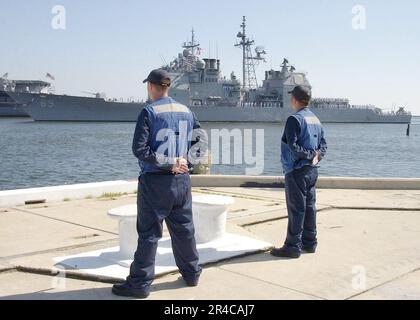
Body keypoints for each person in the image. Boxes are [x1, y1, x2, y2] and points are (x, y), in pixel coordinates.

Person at [112, 69, 203, 298]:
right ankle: (192, 274)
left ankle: (139, 285)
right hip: (182, 183)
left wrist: (169, 162)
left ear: (150, 86)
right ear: (168, 86)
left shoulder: (149, 112)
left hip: (155, 183)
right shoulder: (186, 111)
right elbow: (201, 143)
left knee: (150, 233)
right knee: (184, 230)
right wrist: (186, 165)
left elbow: (140, 149)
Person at [271, 85, 327, 259]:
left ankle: (292, 246)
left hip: (296, 171)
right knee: (310, 207)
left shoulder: (294, 119)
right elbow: (323, 145)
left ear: (294, 99)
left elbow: (293, 147)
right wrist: (316, 156)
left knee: (296, 209)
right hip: (312, 172)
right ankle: (310, 243)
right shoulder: (316, 120)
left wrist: (309, 156)